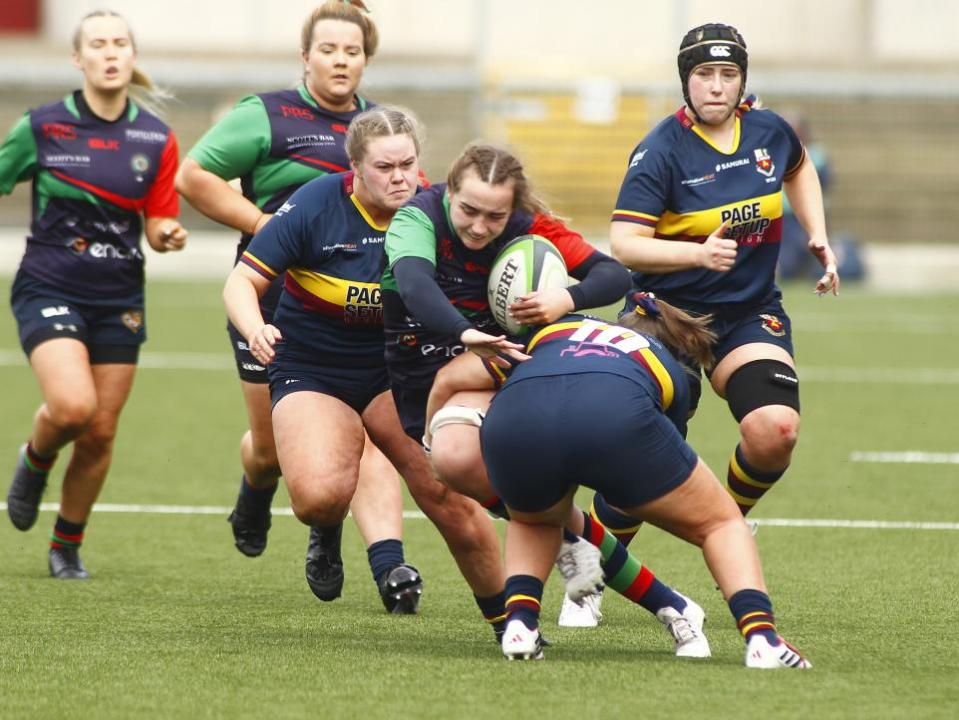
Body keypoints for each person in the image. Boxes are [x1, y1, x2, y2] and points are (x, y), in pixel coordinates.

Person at [382, 143, 710, 654]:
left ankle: (536, 607)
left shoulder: (528, 224)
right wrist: (466, 334)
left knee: (454, 458)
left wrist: (566, 297)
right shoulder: (417, 218)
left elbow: (613, 273)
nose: (478, 226)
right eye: (468, 210)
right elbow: (415, 286)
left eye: (495, 216)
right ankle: (665, 600)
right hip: (431, 367)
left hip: (508, 364)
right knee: (550, 516)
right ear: (449, 192)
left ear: (512, 208)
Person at [222, 106, 505, 617]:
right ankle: (326, 528)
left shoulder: (438, 209)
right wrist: (254, 326)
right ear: (354, 164)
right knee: (318, 499)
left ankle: (512, 618)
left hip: (398, 370)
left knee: (450, 499)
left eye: (408, 164)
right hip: (314, 368)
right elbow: (242, 282)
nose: (400, 178)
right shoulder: (314, 205)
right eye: (384, 167)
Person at [176, 1, 405, 602]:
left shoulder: (379, 130)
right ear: (306, 56)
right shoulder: (268, 115)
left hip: (357, 311)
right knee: (273, 449)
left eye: (352, 51)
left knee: (363, 432)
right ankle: (255, 490)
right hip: (271, 298)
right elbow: (192, 176)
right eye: (328, 49)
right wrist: (263, 227)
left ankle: (331, 538)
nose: (340, 60)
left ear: (365, 60)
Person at [449, 296, 811, 667]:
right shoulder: (665, 362)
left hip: (512, 420)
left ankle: (520, 625)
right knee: (721, 523)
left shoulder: (557, 328)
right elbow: (652, 459)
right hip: (613, 418)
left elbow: (460, 374)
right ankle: (762, 638)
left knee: (535, 519)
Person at [609, 23, 840, 525]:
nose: (716, 85)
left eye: (728, 74)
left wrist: (816, 233)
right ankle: (593, 583)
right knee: (640, 451)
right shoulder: (659, 152)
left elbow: (799, 168)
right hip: (664, 315)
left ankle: (726, 527)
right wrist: (696, 256)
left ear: (742, 80)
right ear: (686, 81)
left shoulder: (769, 130)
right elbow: (624, 244)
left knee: (775, 430)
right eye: (705, 74)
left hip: (747, 310)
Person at [2, 10, 188, 579]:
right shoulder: (43, 126)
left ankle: (66, 545)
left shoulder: (155, 138)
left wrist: (168, 234)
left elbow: (158, 223)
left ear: (133, 57)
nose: (111, 53)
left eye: (121, 44)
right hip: (49, 284)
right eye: (99, 45)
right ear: (78, 59)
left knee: (101, 430)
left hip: (119, 296)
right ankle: (34, 461)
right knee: (74, 407)